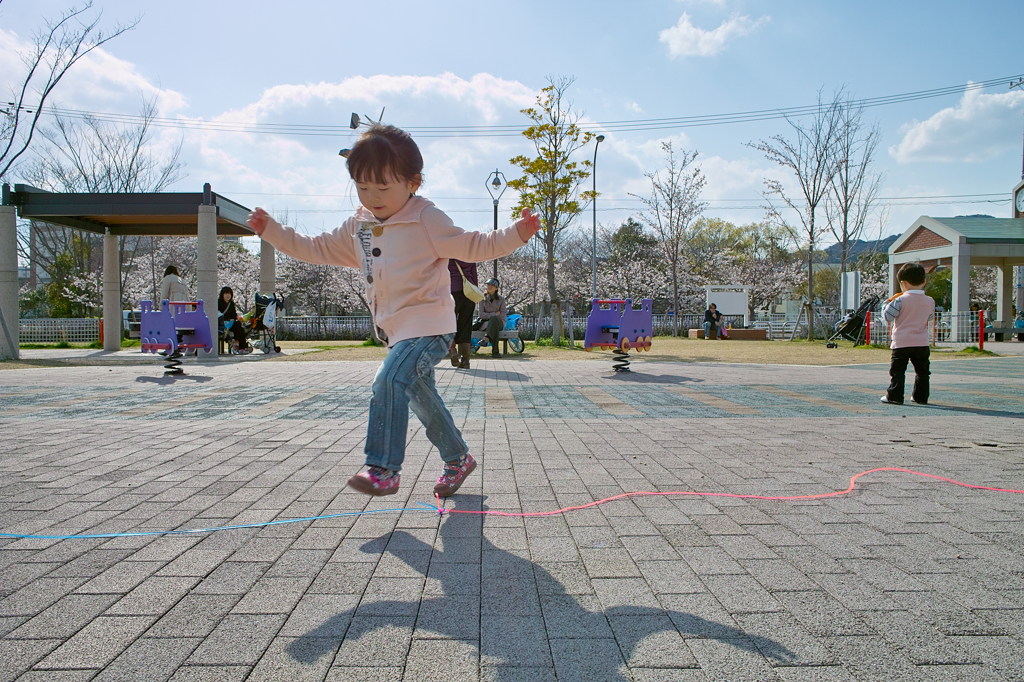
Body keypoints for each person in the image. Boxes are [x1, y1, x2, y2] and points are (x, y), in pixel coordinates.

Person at [246, 124, 541, 498]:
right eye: (363, 187)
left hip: (430, 326)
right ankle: (458, 458)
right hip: (395, 332)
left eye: (383, 188)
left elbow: (472, 245)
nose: (373, 197)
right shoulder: (359, 227)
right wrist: (272, 230)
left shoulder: (425, 218)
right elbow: (314, 247)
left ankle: (383, 468)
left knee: (387, 382)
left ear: (413, 182)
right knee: (421, 398)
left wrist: (517, 232)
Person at [881, 262, 935, 405]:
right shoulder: (930, 301)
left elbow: (888, 317)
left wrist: (886, 303)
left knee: (898, 371)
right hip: (922, 342)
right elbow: (929, 317)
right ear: (924, 281)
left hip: (902, 342)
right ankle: (920, 397)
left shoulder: (900, 300)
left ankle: (894, 396)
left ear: (903, 284)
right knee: (923, 372)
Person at [448, 259, 478, 369]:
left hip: (452, 292)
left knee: (449, 323)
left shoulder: (448, 255)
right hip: (469, 293)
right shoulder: (470, 254)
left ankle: (453, 351)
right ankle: (466, 360)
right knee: (466, 326)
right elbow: (474, 276)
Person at [475, 278, 506, 358]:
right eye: (488, 285)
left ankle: (486, 339)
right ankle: (495, 352)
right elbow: (481, 314)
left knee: (494, 320)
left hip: (500, 322)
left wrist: (491, 316)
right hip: (485, 324)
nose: (489, 287)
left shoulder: (501, 299)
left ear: (496, 288)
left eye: (492, 285)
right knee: (494, 323)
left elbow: (502, 315)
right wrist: (494, 314)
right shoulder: (482, 299)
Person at [217, 286, 250, 354]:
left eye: (229, 294)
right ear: (222, 294)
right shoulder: (218, 303)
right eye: (226, 293)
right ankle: (236, 344)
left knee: (239, 327)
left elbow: (234, 315)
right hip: (221, 323)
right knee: (237, 327)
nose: (227, 295)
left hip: (230, 323)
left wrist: (233, 319)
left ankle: (241, 347)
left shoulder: (231, 304)